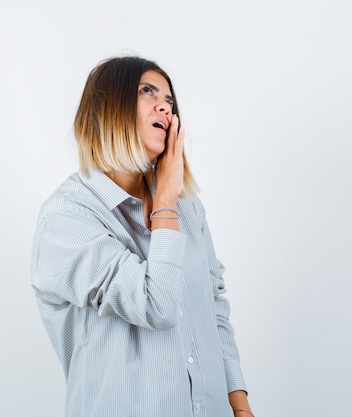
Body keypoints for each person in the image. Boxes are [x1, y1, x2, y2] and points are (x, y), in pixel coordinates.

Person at [30, 56, 254, 417]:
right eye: (147, 92)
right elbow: (156, 305)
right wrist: (164, 200)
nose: (165, 105)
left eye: (169, 98)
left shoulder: (188, 208)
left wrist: (239, 404)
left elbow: (212, 306)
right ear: (107, 108)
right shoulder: (67, 217)